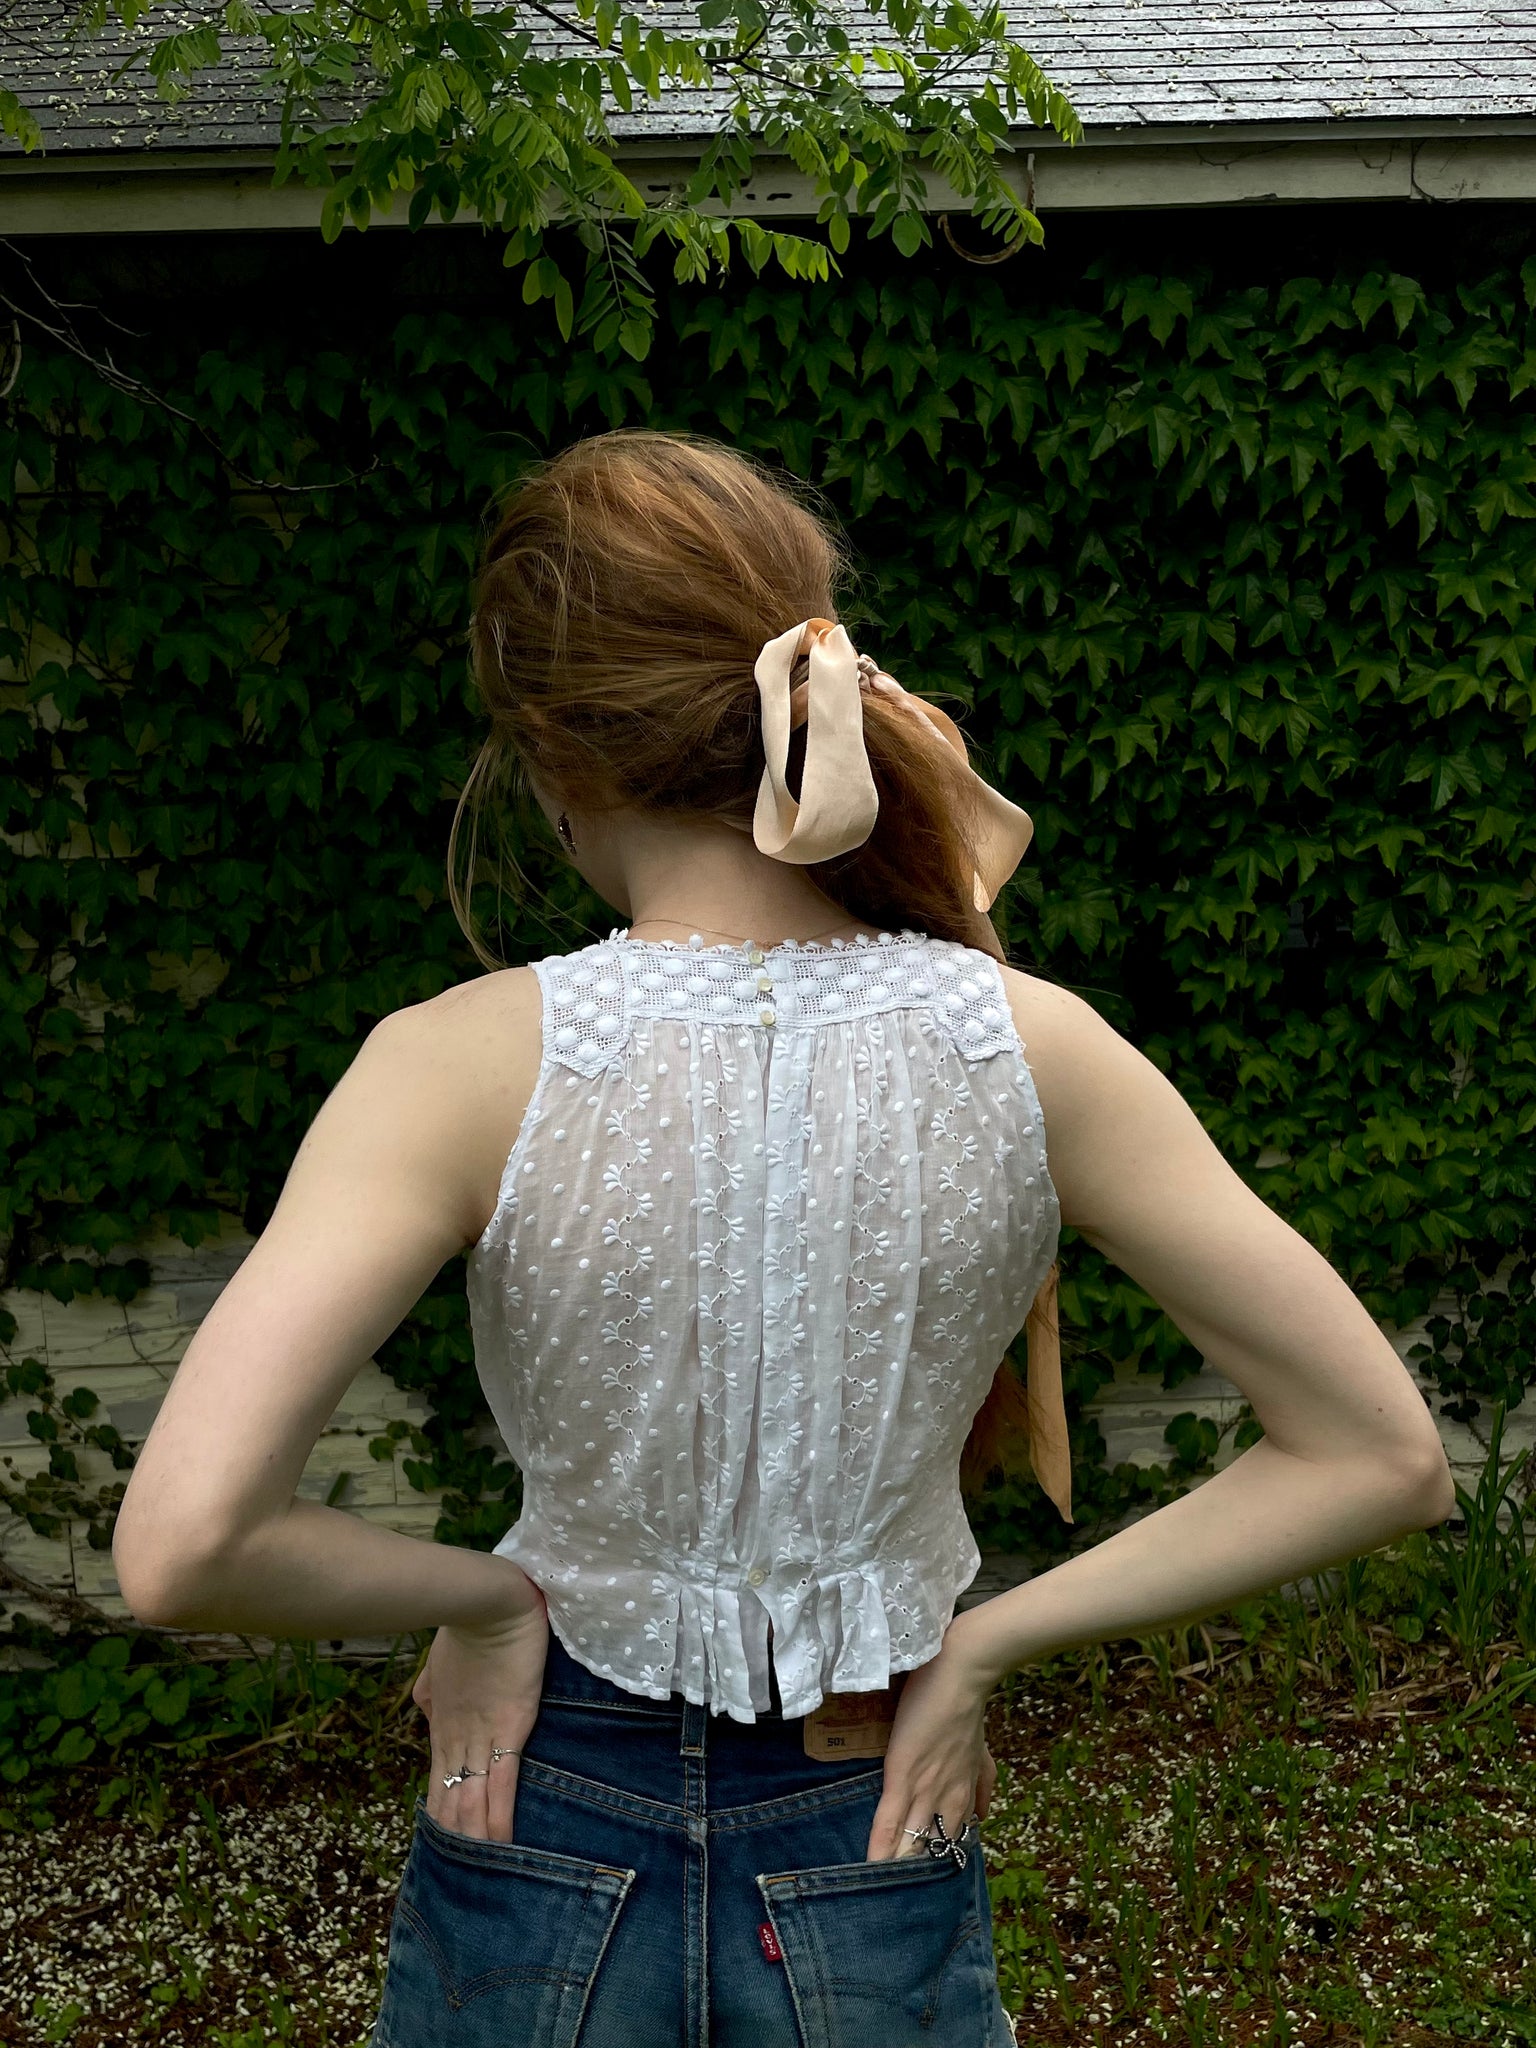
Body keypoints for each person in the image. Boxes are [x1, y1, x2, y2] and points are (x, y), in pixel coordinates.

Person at [113, 429, 1455, 2048]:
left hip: (538, 1807)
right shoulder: (1032, 1047)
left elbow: (183, 1543)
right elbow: (1381, 1455)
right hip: (869, 1807)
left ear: (544, 742)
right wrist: (992, 1642)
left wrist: (483, 1604)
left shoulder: (455, 1061)